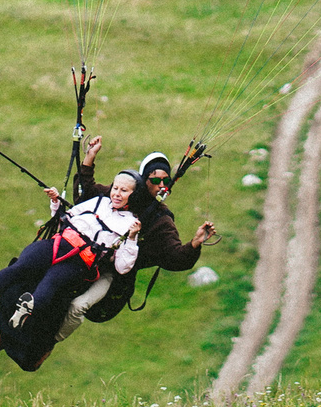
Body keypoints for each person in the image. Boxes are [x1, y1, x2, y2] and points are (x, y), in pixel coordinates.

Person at [0, 167, 143, 371]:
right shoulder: (99, 202)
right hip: (58, 243)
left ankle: (26, 309)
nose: (117, 194)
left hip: (79, 261)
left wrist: (131, 239)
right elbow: (64, 217)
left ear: (133, 195)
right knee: (22, 265)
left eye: (124, 191)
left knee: (51, 282)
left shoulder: (130, 224)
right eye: (115, 188)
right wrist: (55, 202)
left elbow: (123, 267)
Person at [58, 138, 216, 327]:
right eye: (155, 180)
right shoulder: (122, 194)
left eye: (166, 181)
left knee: (76, 306)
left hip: (112, 283)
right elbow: (85, 195)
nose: (161, 185)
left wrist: (195, 243)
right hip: (86, 260)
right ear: (143, 179)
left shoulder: (160, 221)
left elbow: (175, 258)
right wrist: (89, 158)